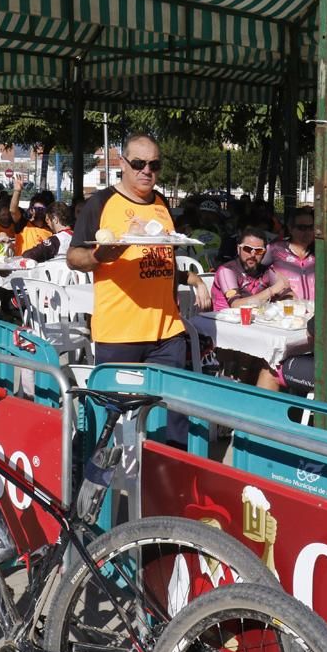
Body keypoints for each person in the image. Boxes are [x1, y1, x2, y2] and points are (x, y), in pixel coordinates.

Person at [68, 132, 211, 445]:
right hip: (120, 333)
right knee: (110, 422)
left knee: (173, 418)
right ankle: (99, 487)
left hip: (167, 331)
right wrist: (100, 255)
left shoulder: (161, 205)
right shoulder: (102, 203)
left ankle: (164, 482)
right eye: (139, 163)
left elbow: (163, 264)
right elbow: (73, 257)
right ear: (122, 163)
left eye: (154, 164)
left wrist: (192, 278)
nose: (147, 171)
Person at [265, 206, 327, 300]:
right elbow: (258, 270)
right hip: (287, 310)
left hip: (315, 310)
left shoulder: (318, 250)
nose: (308, 232)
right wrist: (273, 276)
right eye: (302, 228)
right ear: (290, 228)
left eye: (311, 227)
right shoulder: (275, 249)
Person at [211, 228, 289, 311]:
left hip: (253, 320)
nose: (252, 254)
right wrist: (272, 290)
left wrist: (289, 297)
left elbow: (287, 293)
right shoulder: (227, 270)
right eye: (247, 249)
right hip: (225, 320)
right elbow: (236, 304)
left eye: (259, 250)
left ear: (264, 253)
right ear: (238, 249)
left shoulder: (266, 271)